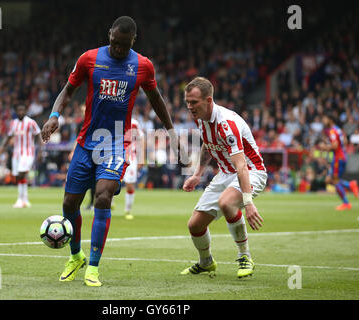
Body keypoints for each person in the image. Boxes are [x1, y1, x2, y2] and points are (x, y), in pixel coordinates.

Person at [41, 16, 177, 287]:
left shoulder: (142, 65)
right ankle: (76, 255)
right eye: (115, 43)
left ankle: (93, 267)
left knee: (103, 197)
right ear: (110, 35)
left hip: (115, 143)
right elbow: (68, 90)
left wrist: (171, 130)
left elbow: (156, 98)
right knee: (69, 204)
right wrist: (54, 115)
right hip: (86, 141)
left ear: (132, 41)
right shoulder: (89, 59)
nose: (118, 49)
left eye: (124, 46)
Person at [181, 77, 267, 278]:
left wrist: (248, 202)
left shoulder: (227, 123)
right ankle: (206, 262)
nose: (189, 107)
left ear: (208, 100)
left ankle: (245, 256)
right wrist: (197, 174)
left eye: (193, 102)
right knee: (195, 225)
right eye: (187, 102)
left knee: (227, 203)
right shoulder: (201, 118)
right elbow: (208, 144)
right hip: (226, 173)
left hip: (252, 171)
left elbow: (241, 165)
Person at [0, 104, 42, 208]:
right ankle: (24, 200)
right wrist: (2, 147)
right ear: (16, 111)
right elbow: (9, 136)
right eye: (19, 110)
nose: (21, 112)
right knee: (18, 176)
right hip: (16, 154)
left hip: (28, 153)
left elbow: (38, 135)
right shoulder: (13, 123)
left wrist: (40, 151)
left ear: (25, 111)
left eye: (22, 110)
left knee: (21, 173)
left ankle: (20, 199)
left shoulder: (31, 122)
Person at [321, 114, 359, 210]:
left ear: (330, 119)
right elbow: (345, 141)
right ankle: (349, 187)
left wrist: (325, 147)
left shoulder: (332, 131)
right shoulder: (339, 129)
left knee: (335, 181)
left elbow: (335, 145)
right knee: (330, 180)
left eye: (324, 118)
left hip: (338, 158)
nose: (323, 121)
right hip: (342, 156)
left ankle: (347, 200)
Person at [123, 118, 145, 220]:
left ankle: (128, 210)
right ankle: (109, 204)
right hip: (115, 156)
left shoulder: (134, 123)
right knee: (110, 183)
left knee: (130, 185)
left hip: (131, 158)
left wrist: (142, 157)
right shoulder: (114, 117)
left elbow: (141, 138)